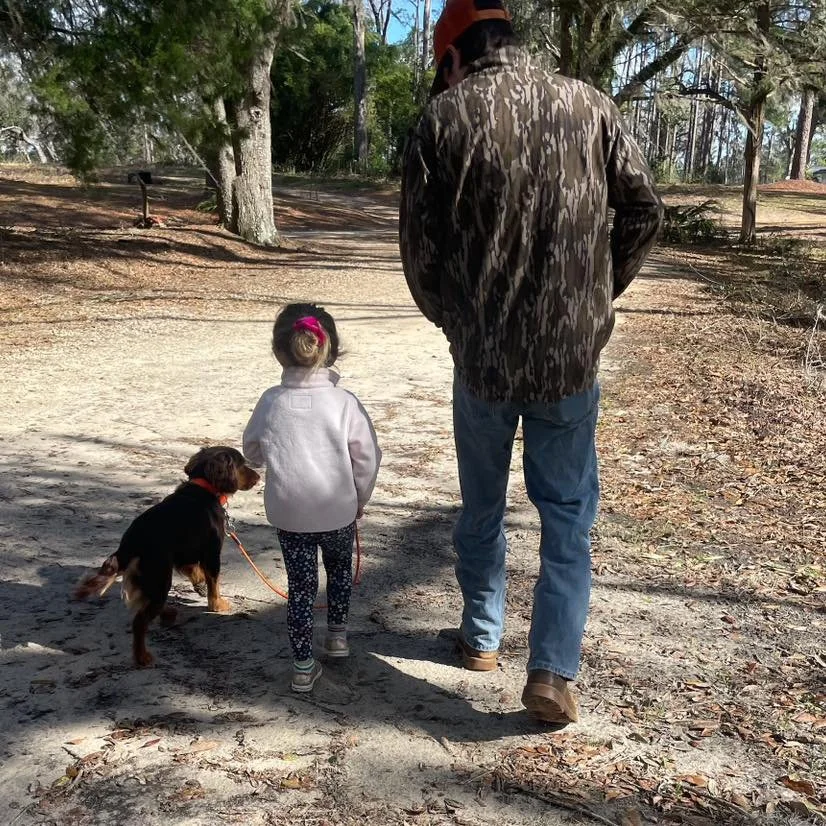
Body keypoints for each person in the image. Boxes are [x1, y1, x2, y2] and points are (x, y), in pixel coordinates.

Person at [399, 0, 663, 724]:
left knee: (481, 508)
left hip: (482, 363)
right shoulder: (591, 105)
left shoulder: (442, 122)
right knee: (567, 518)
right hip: (569, 365)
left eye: (438, 70)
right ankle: (551, 671)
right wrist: (597, 295)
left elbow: (420, 257)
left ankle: (482, 639)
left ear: (454, 56)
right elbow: (644, 210)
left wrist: (457, 322)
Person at [243, 303, 381, 693]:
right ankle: (337, 637)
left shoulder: (270, 401)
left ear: (278, 350)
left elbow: (252, 451)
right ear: (331, 349)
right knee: (339, 572)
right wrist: (360, 498)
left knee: (300, 588)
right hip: (338, 511)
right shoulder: (344, 403)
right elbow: (367, 457)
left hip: (290, 514)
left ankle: (303, 665)